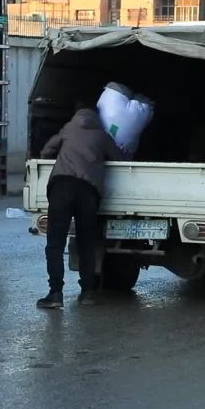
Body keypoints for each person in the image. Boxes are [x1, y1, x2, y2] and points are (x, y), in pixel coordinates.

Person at [36, 103, 124, 309]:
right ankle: (88, 293)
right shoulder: (102, 136)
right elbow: (118, 158)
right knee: (86, 243)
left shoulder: (69, 128)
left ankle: (55, 293)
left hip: (61, 188)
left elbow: (48, 149)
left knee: (55, 244)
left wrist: (47, 156)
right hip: (87, 191)